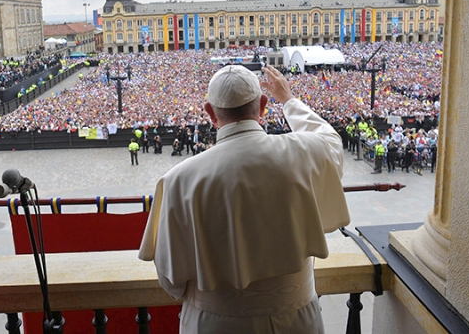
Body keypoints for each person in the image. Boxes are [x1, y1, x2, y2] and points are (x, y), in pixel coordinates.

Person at [139, 65, 350, 334]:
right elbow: (329, 138)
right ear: (263, 106)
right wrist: (288, 100)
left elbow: (171, 281)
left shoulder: (178, 180)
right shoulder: (309, 153)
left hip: (215, 324)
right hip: (298, 320)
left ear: (210, 113)